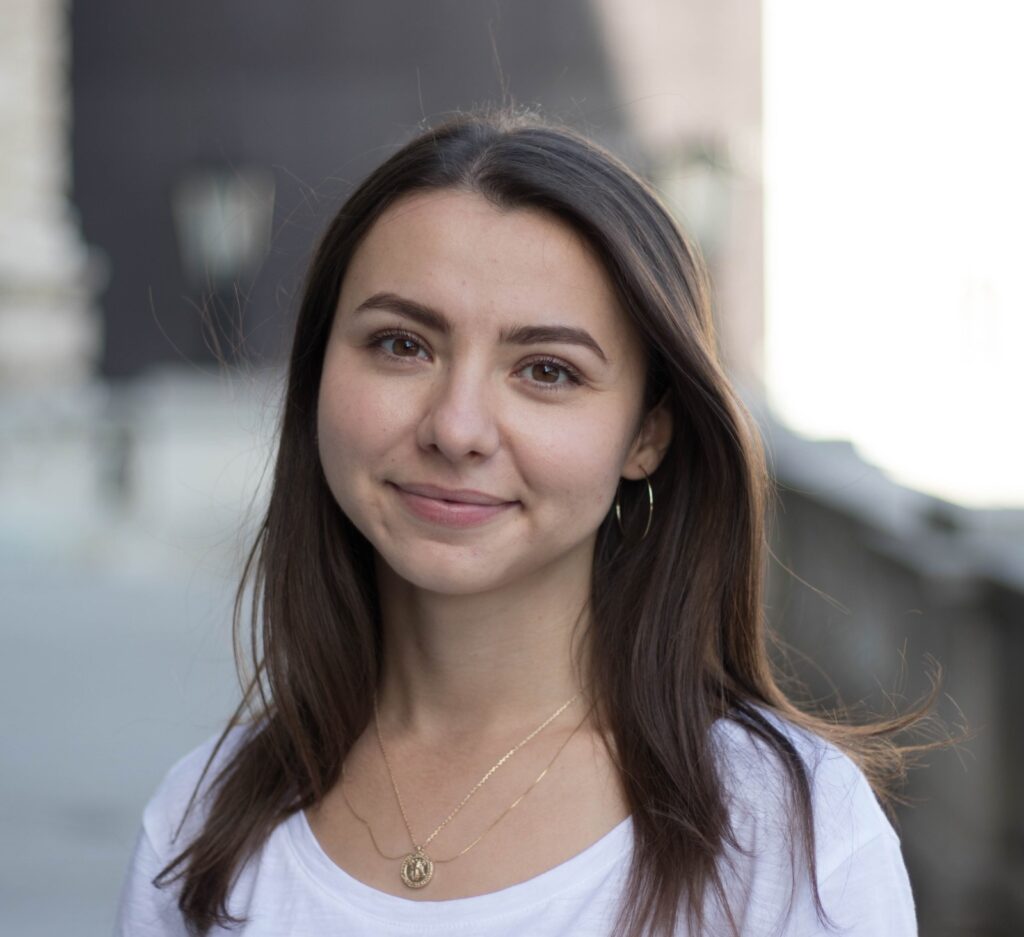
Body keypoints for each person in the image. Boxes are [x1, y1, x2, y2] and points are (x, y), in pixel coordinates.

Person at [114, 105, 924, 936]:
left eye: (546, 369)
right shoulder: (199, 826)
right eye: (402, 345)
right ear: (318, 376)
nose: (456, 427)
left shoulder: (790, 837)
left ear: (647, 432)